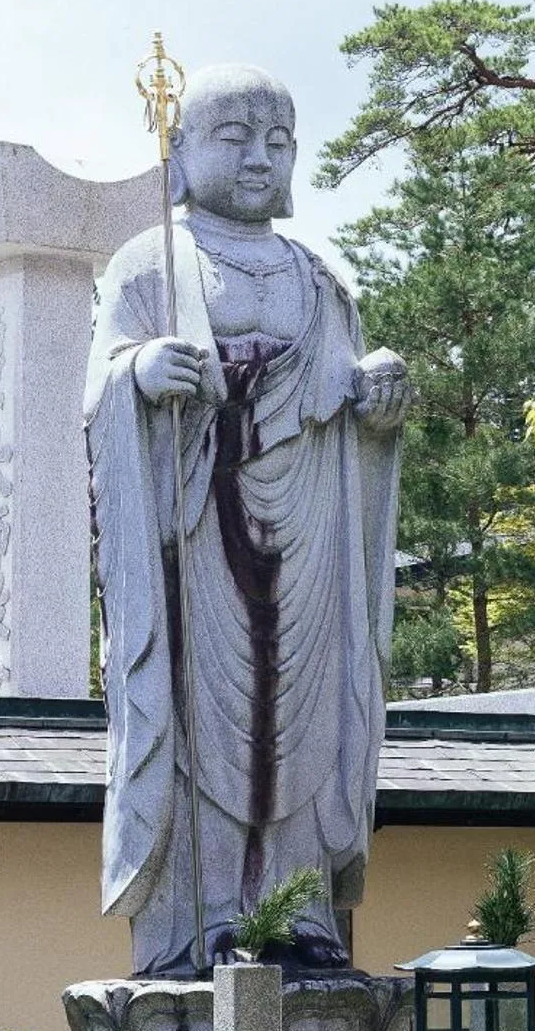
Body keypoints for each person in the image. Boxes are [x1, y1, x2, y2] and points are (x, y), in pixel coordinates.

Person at [85, 64, 409, 978]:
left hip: (307, 536)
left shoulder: (320, 279)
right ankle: (205, 919)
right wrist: (138, 374)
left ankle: (299, 914)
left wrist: (377, 400)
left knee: (304, 716)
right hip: (197, 529)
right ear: (180, 152)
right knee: (199, 722)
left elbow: (352, 408)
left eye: (277, 139)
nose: (259, 156)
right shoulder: (150, 259)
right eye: (232, 136)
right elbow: (102, 381)